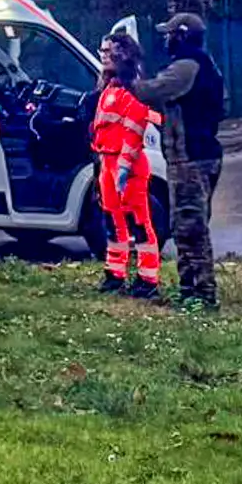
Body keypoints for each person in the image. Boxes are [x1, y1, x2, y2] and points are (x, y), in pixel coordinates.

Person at [133, 12, 226, 307]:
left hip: (190, 158)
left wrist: (126, 77)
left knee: (190, 227)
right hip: (200, 154)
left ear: (182, 36)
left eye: (170, 33)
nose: (165, 39)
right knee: (187, 225)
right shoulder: (206, 65)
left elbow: (150, 91)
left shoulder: (187, 67)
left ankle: (200, 294)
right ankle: (190, 290)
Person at [90, 24, 165, 297]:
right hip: (109, 163)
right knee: (113, 221)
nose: (104, 55)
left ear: (124, 55)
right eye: (103, 50)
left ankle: (148, 280)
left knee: (139, 223)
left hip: (128, 166)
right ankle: (115, 273)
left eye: (110, 51)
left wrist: (123, 166)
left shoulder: (131, 90)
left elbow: (134, 131)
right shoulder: (109, 88)